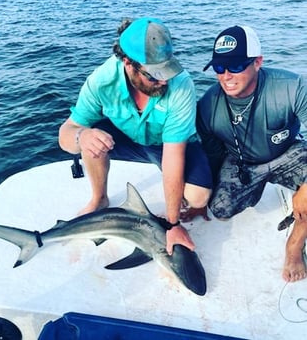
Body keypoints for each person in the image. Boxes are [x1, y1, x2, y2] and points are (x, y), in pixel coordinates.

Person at [59, 17, 213, 255]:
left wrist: (172, 224)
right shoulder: (100, 81)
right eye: (153, 75)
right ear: (127, 62)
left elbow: (173, 155)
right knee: (91, 139)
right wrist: (82, 136)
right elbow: (65, 135)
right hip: (126, 138)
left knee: (199, 197)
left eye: (166, 71)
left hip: (167, 144)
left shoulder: (181, 85)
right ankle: (99, 198)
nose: (163, 80)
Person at [196, 25, 307, 282]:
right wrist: (199, 199)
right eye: (219, 68)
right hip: (241, 162)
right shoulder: (207, 106)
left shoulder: (292, 87)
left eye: (235, 67)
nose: (226, 76)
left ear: (258, 62)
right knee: (220, 210)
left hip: (289, 152)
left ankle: (294, 245)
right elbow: (212, 156)